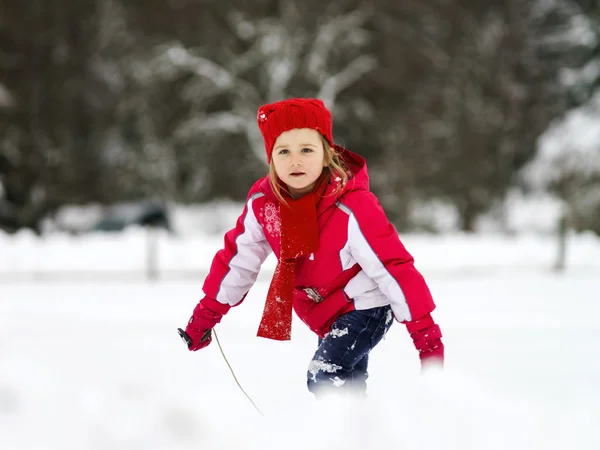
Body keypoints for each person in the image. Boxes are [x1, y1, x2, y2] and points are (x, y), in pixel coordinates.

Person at [181, 98, 444, 398]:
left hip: (367, 304)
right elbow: (238, 261)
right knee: (347, 385)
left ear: (326, 154)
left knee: (326, 374)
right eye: (284, 151)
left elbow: (393, 266)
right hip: (326, 310)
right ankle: (360, 435)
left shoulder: (352, 206)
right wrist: (205, 316)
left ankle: (352, 432)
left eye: (306, 150)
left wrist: (426, 336)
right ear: (271, 159)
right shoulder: (265, 205)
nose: (295, 160)